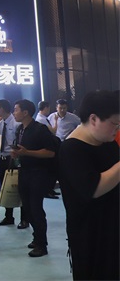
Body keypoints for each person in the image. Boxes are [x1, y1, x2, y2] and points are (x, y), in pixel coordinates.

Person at [58, 90, 119, 280]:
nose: (117, 129)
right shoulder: (71, 149)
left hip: (113, 225)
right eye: (114, 123)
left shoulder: (106, 142)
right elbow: (94, 188)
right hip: (90, 233)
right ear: (93, 119)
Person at [11, 99, 57, 258]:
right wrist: (17, 154)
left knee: (36, 208)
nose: (14, 113)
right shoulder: (19, 129)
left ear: (25, 112)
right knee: (28, 208)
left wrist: (27, 153)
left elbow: (50, 152)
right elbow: (22, 150)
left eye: (16, 109)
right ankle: (37, 238)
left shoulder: (40, 129)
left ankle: (42, 245)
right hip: (24, 172)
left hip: (39, 173)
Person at [0, 99, 26, 227]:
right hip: (3, 158)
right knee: (6, 188)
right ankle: (9, 216)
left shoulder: (17, 123)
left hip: (14, 159)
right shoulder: (1, 124)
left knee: (20, 188)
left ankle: (24, 219)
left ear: (2, 109)